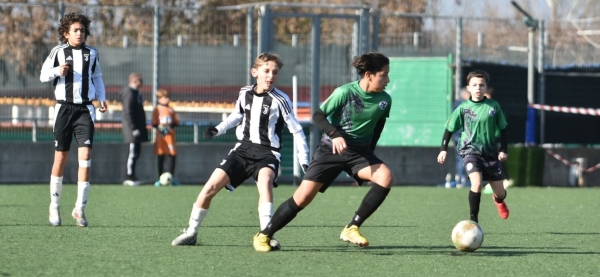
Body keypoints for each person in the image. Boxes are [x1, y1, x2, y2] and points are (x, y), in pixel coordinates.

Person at [252, 51, 393, 252]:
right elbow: (317, 116)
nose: (387, 79)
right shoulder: (344, 92)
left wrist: (369, 154)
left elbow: (378, 126)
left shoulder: (385, 100)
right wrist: (335, 135)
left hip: (359, 153)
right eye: (384, 74)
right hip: (330, 150)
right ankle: (263, 235)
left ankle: (352, 227)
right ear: (369, 75)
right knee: (302, 198)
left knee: (386, 177)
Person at [171, 52, 310, 249]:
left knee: (265, 182)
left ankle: (266, 235)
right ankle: (191, 232)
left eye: (275, 72)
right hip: (242, 150)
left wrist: (304, 160)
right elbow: (236, 116)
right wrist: (218, 129)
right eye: (266, 71)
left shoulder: (281, 100)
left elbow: (297, 130)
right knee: (209, 188)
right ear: (255, 72)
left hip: (268, 153)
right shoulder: (245, 93)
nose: (271, 76)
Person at [39, 12, 107, 227]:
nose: (80, 34)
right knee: (60, 159)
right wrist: (57, 71)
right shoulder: (58, 52)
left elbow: (97, 77)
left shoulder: (92, 53)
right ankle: (54, 205)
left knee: (85, 157)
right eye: (75, 30)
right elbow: (43, 75)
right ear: (66, 33)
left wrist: (102, 98)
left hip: (85, 110)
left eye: (83, 30)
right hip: (63, 110)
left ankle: (79, 208)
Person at [437, 70, 509, 223]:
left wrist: (503, 149)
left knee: (500, 192)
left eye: (481, 85)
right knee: (476, 183)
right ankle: (473, 221)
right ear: (468, 88)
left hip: (489, 154)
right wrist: (443, 150)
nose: (478, 88)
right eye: (474, 85)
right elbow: (449, 129)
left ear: (486, 88)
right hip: (470, 151)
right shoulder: (463, 108)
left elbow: (503, 128)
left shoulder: (493, 106)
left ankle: (499, 201)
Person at [121, 72, 149, 186]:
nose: (141, 83)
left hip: (138, 129)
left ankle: (133, 176)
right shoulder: (129, 93)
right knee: (131, 153)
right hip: (132, 130)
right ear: (134, 81)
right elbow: (128, 112)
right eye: (139, 80)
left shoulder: (136, 93)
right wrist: (133, 128)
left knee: (136, 153)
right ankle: (129, 176)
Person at [152, 89, 180, 186]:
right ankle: (159, 178)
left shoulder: (171, 110)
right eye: (164, 97)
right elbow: (154, 123)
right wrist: (160, 129)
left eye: (168, 97)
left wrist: (169, 128)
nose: (167, 99)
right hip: (160, 138)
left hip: (170, 138)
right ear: (159, 99)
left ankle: (171, 178)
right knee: (160, 157)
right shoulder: (156, 110)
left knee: (172, 156)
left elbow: (176, 122)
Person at [451, 88, 471, 188]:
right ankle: (462, 178)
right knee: (464, 158)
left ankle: (459, 178)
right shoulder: (466, 104)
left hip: (456, 135)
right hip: (464, 135)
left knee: (460, 158)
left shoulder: (456, 104)